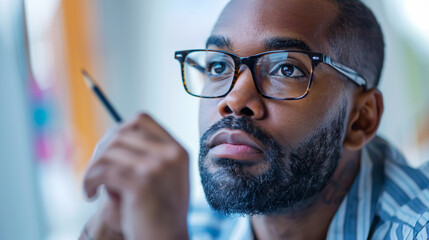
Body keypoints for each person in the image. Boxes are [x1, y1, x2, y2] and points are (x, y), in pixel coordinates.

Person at [80, 0, 429, 239]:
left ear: (361, 120)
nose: (233, 100)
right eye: (218, 66)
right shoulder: (195, 224)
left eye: (286, 68)